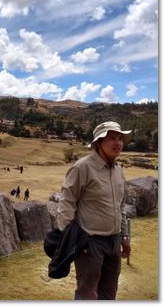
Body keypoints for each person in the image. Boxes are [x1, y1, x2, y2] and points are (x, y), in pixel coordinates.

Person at [57, 121, 132, 300]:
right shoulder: (82, 168)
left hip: (114, 243)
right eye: (112, 138)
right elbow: (66, 203)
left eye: (120, 138)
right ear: (98, 143)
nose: (118, 143)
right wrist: (72, 241)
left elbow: (120, 207)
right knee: (87, 295)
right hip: (89, 244)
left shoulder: (118, 170)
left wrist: (125, 236)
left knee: (109, 293)